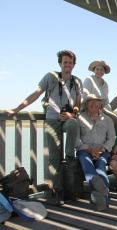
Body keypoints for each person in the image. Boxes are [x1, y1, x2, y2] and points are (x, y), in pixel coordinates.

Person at [6, 50, 82, 205]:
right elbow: (36, 94)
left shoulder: (77, 81)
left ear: (74, 64)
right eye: (65, 62)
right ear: (60, 63)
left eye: (70, 62)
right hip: (52, 120)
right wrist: (16, 109)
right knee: (54, 158)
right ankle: (58, 191)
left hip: (68, 119)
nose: (68, 65)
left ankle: (69, 157)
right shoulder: (51, 77)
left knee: (74, 123)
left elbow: (78, 102)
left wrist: (71, 113)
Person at [76, 94, 115, 211]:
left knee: (100, 166)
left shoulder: (108, 120)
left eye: (96, 102)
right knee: (85, 161)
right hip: (85, 150)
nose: (93, 104)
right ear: (86, 105)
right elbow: (76, 139)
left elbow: (111, 138)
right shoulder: (80, 118)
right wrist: (89, 149)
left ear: (101, 105)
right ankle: (104, 196)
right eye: (90, 102)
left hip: (102, 151)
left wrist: (101, 150)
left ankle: (99, 195)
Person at [83, 60, 117, 134]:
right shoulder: (89, 79)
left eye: (101, 69)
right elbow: (85, 96)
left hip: (104, 110)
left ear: (104, 71)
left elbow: (106, 101)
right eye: (97, 69)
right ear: (94, 70)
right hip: (91, 109)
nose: (99, 71)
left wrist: (110, 112)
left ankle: (115, 143)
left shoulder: (105, 84)